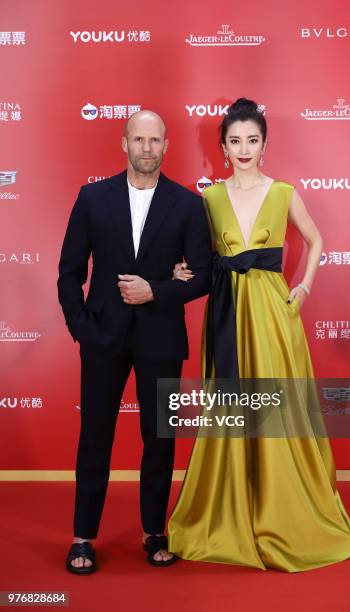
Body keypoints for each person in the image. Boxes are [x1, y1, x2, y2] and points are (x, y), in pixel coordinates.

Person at [168, 98, 350, 571]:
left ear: (265, 143)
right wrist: (182, 269)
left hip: (273, 312)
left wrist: (305, 285)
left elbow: (315, 239)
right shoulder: (209, 198)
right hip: (228, 312)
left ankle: (284, 509)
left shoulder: (284, 191)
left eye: (252, 140)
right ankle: (228, 509)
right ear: (223, 146)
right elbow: (198, 256)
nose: (244, 148)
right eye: (235, 140)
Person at [57, 110, 212, 572]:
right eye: (139, 139)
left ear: (166, 146)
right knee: (94, 438)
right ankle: (83, 536)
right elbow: (69, 273)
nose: (147, 148)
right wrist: (82, 328)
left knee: (159, 440)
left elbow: (204, 275)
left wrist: (157, 290)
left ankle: (154, 531)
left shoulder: (187, 205)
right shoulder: (92, 198)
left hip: (161, 338)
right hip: (102, 337)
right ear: (124, 143)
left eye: (155, 140)